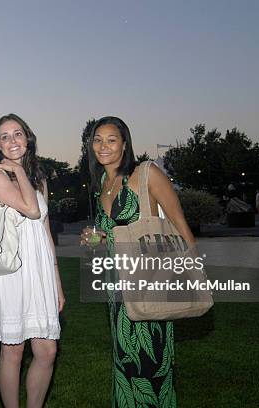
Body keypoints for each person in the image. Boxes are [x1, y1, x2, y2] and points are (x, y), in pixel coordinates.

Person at [81, 116, 195, 407]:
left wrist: (184, 278)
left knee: (151, 363)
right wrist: (96, 240)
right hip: (116, 290)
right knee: (125, 361)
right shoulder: (102, 184)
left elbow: (181, 229)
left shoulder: (146, 174)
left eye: (111, 139)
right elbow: (113, 237)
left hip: (150, 281)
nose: (103, 146)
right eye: (97, 139)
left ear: (124, 144)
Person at [0, 113, 65, 408]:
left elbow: (45, 230)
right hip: (8, 271)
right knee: (12, 351)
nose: (13, 140)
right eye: (5, 136)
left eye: (18, 134)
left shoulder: (39, 179)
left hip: (39, 272)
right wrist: (19, 172)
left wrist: (57, 282)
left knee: (47, 351)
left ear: (27, 139)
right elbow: (31, 210)